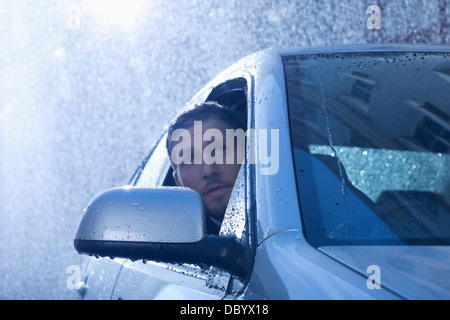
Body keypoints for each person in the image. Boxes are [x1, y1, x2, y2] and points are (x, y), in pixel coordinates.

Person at [166, 102, 245, 235]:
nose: (209, 170)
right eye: (190, 159)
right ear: (178, 182)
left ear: (247, 151)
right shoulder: (182, 252)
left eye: (220, 149)